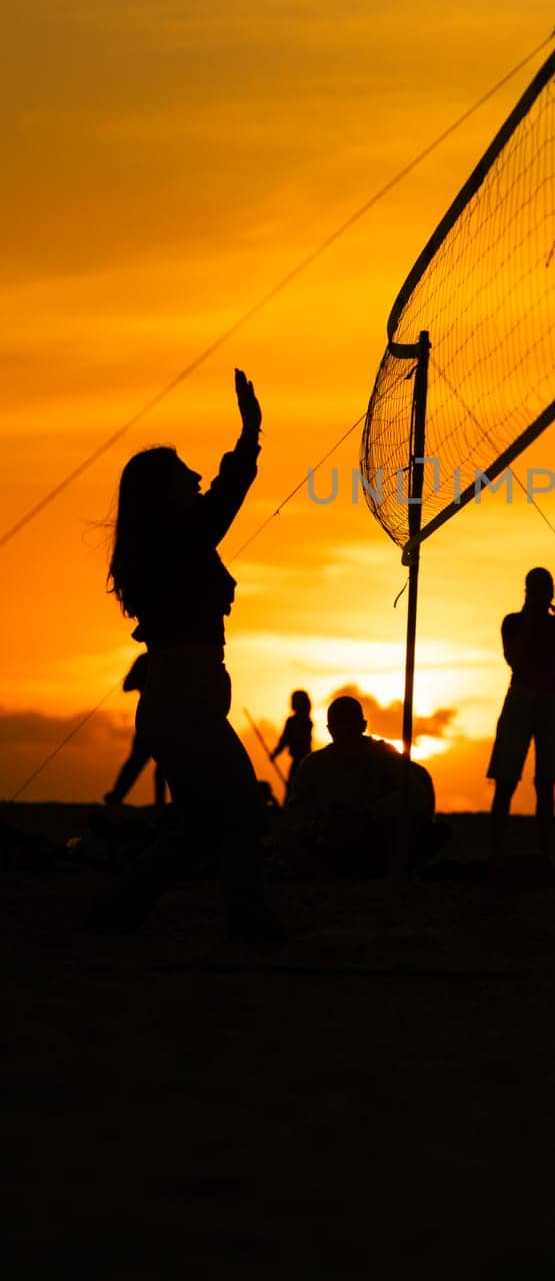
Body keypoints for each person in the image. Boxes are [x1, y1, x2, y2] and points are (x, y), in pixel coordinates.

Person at [88, 368, 281, 941]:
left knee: (198, 826)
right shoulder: (177, 539)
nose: (195, 477)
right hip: (184, 696)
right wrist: (249, 436)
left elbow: (214, 502)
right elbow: (223, 498)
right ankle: (249, 925)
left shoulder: (168, 541)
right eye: (182, 476)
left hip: (181, 695)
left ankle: (113, 913)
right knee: (242, 812)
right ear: (162, 495)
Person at [278, 695, 440, 877]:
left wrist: (370, 813)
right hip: (330, 845)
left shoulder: (386, 757)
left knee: (430, 834)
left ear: (363, 727)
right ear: (330, 731)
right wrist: (321, 824)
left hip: (378, 843)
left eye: (351, 731)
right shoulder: (313, 766)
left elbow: (417, 795)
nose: (347, 740)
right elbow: (296, 811)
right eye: (341, 733)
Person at [487, 567, 555, 861]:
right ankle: (496, 851)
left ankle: (544, 852)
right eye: (540, 588)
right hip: (521, 698)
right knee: (505, 778)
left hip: (551, 699)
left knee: (547, 781)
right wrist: (531, 622)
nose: (545, 594)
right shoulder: (513, 622)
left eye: (548, 588)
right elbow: (514, 659)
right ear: (528, 591)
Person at [103, 654, 167, 807]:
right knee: (138, 760)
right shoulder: (146, 660)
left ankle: (159, 803)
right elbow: (127, 685)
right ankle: (116, 796)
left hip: (164, 717)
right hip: (150, 717)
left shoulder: (167, 658)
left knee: (162, 763)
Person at [271, 689, 313, 797]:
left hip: (299, 759)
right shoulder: (307, 720)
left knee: (292, 788)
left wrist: (275, 754)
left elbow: (284, 740)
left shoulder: (294, 721)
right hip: (306, 759)